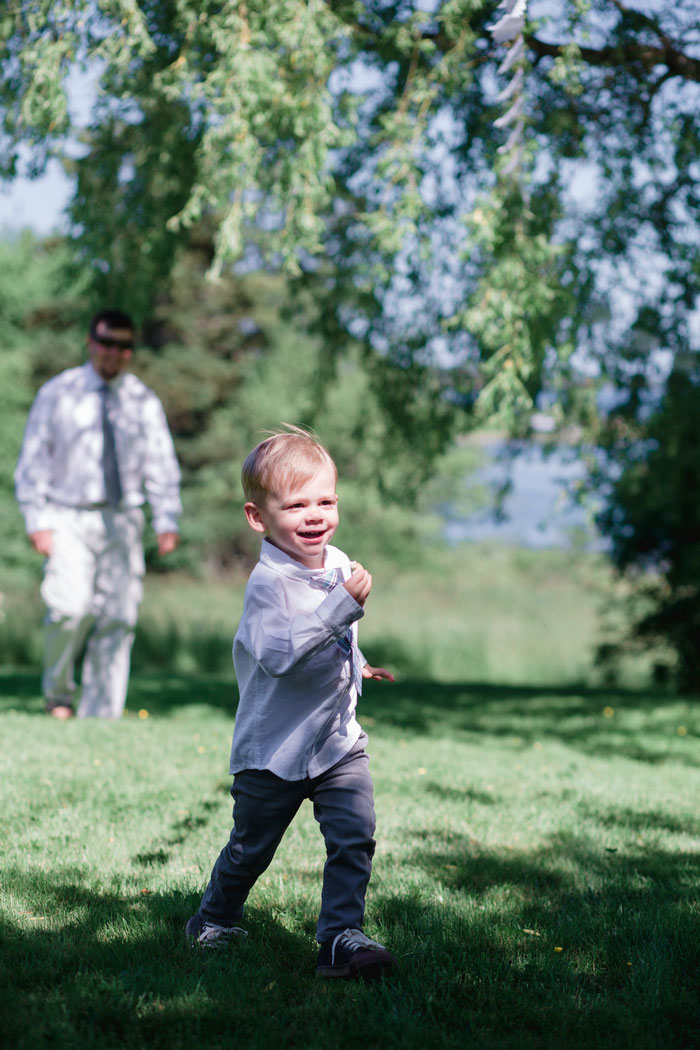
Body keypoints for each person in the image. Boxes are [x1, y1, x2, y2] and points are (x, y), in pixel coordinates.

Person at [186, 426, 397, 979]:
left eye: (325, 501)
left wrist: (359, 660)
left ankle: (340, 939)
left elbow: (335, 637)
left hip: (335, 742)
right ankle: (215, 916)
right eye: (297, 504)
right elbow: (281, 654)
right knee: (251, 849)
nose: (315, 515)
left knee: (354, 837)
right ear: (259, 518)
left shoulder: (336, 561)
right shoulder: (266, 586)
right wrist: (340, 612)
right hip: (274, 752)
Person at [14, 308, 182, 720]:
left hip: (123, 518)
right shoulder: (59, 393)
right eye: (107, 343)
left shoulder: (142, 400)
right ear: (91, 342)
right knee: (69, 608)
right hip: (68, 515)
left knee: (119, 616)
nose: (114, 352)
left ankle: (100, 713)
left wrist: (167, 518)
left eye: (124, 346)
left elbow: (161, 462)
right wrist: (37, 520)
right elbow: (33, 461)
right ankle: (57, 694)